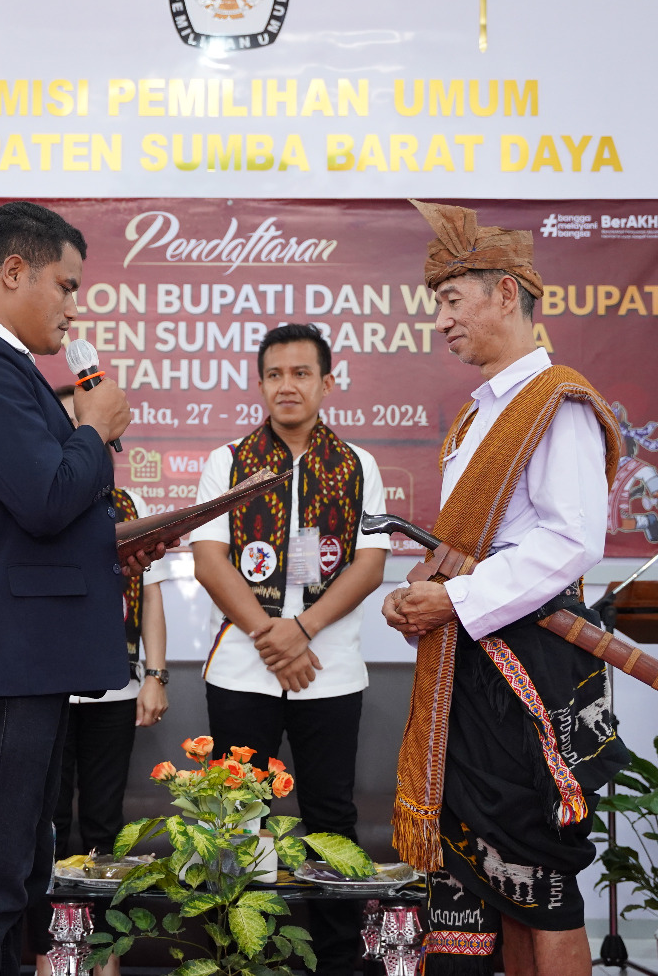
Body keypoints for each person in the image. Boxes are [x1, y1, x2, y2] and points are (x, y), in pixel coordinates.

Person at [0, 201, 169, 975]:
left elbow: (41, 516)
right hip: (2, 659)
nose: (73, 305)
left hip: (22, 658)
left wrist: (125, 540)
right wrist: (92, 428)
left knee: (17, 874)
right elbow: (49, 495)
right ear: (14, 271)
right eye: (66, 284)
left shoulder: (1, 365)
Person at [381, 202, 628, 976]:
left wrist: (453, 599)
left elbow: (569, 539)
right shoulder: (475, 417)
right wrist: (421, 591)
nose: (443, 322)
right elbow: (473, 551)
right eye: (440, 307)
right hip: (471, 669)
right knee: (488, 880)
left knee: (540, 877)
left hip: (529, 672)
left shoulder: (558, 403)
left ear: (508, 294)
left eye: (454, 302)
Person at [190, 322, 388, 975]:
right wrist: (270, 637)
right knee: (238, 820)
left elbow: (369, 565)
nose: (287, 386)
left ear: (327, 383)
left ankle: (338, 962)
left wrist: (299, 632)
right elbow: (210, 562)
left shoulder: (358, 465)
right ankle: (239, 960)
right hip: (243, 670)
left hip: (328, 673)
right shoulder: (228, 461)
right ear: (260, 382)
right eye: (275, 374)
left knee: (330, 819)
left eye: (301, 373)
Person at [31, 384, 172, 975]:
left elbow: (153, 595)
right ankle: (53, 950)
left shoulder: (126, 502)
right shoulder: (36, 494)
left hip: (114, 683)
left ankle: (103, 955)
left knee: (103, 822)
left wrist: (155, 675)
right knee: (49, 818)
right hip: (45, 686)